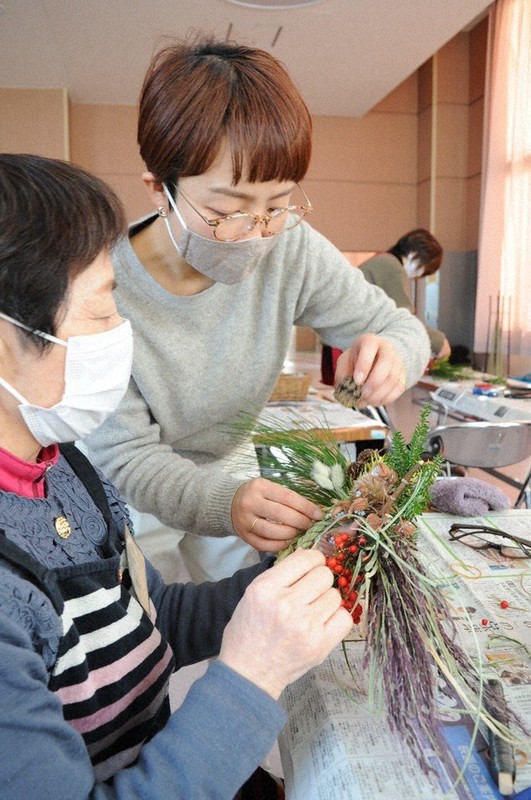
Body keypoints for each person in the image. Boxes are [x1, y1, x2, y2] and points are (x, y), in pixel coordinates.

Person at [0, 153, 353, 799]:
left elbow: (147, 616)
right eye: (103, 311)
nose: (122, 335)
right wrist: (250, 677)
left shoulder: (63, 466)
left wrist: (282, 588)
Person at [86, 36, 431, 583]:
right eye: (226, 211)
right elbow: (129, 459)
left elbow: (399, 326)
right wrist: (226, 503)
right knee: (154, 630)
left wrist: (394, 354)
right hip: (130, 490)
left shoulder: (290, 244)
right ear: (159, 190)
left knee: (240, 608)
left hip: (233, 466)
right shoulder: (100, 287)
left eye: (278, 203)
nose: (258, 233)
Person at [321, 229, 451, 385]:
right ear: (414, 254)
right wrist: (439, 342)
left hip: (340, 342)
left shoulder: (382, 260)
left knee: (351, 401)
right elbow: (405, 316)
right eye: (423, 269)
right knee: (354, 400)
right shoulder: (391, 266)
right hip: (346, 346)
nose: (418, 276)